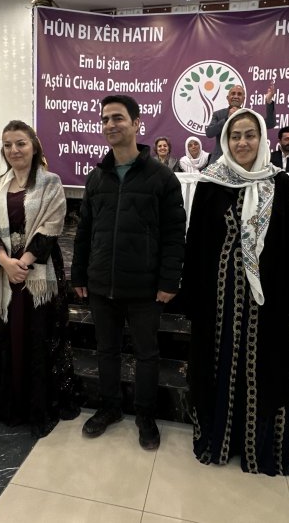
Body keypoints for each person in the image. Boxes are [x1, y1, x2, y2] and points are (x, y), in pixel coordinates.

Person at [183, 108, 289, 476]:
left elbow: (288, 241)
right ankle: (217, 440)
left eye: (250, 135)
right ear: (225, 141)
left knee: (260, 369)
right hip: (217, 299)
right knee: (217, 365)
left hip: (265, 300)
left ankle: (255, 447)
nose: (243, 142)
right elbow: (196, 242)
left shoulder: (278, 182)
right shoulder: (210, 182)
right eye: (235, 136)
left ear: (261, 138)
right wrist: (191, 294)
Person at [72, 94, 186, 451]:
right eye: (105, 119)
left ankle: (145, 415)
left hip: (145, 287)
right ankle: (109, 408)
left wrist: (169, 280)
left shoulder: (161, 177)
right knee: (106, 350)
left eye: (118, 118)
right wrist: (79, 275)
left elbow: (174, 234)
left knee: (146, 354)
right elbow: (84, 231)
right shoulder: (97, 177)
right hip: (101, 283)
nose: (110, 124)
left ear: (137, 123)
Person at [0, 120, 80, 436]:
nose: (14, 150)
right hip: (6, 273)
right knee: (10, 337)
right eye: (7, 144)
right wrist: (4, 262)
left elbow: (52, 226)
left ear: (34, 146)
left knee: (38, 336)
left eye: (20, 143)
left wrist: (22, 263)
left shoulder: (50, 183)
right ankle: (13, 404)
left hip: (38, 271)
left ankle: (39, 406)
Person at [205, 85, 277, 163]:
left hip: (242, 159)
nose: (236, 96)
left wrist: (269, 101)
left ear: (243, 99)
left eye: (239, 94)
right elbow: (209, 133)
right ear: (228, 98)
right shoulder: (218, 114)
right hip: (220, 159)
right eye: (233, 93)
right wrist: (227, 118)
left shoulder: (249, 115)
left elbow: (270, 123)